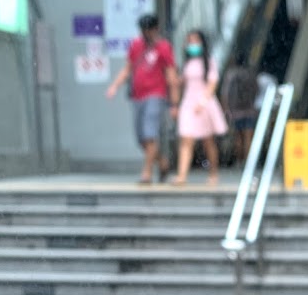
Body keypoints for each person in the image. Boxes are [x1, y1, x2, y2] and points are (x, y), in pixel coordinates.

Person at [106, 13, 180, 185]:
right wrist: (114, 86)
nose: (146, 33)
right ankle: (162, 163)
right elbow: (128, 69)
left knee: (149, 134)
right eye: (143, 30)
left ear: (155, 29)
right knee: (140, 138)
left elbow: (171, 74)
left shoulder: (163, 47)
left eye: (149, 30)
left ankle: (146, 173)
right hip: (137, 96)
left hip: (156, 94)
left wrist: (174, 103)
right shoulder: (136, 45)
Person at [173, 28, 226, 187]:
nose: (192, 44)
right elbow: (181, 83)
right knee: (186, 139)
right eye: (190, 41)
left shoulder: (209, 61)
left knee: (208, 141)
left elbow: (212, 83)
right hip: (189, 103)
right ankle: (182, 175)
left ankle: (213, 173)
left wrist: (203, 102)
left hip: (204, 103)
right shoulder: (187, 63)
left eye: (196, 41)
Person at [221, 55, 258, 162]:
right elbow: (256, 90)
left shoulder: (231, 74)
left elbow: (225, 93)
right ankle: (249, 160)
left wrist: (226, 108)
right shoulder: (250, 73)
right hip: (250, 110)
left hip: (236, 111)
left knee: (238, 136)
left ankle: (239, 159)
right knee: (248, 137)